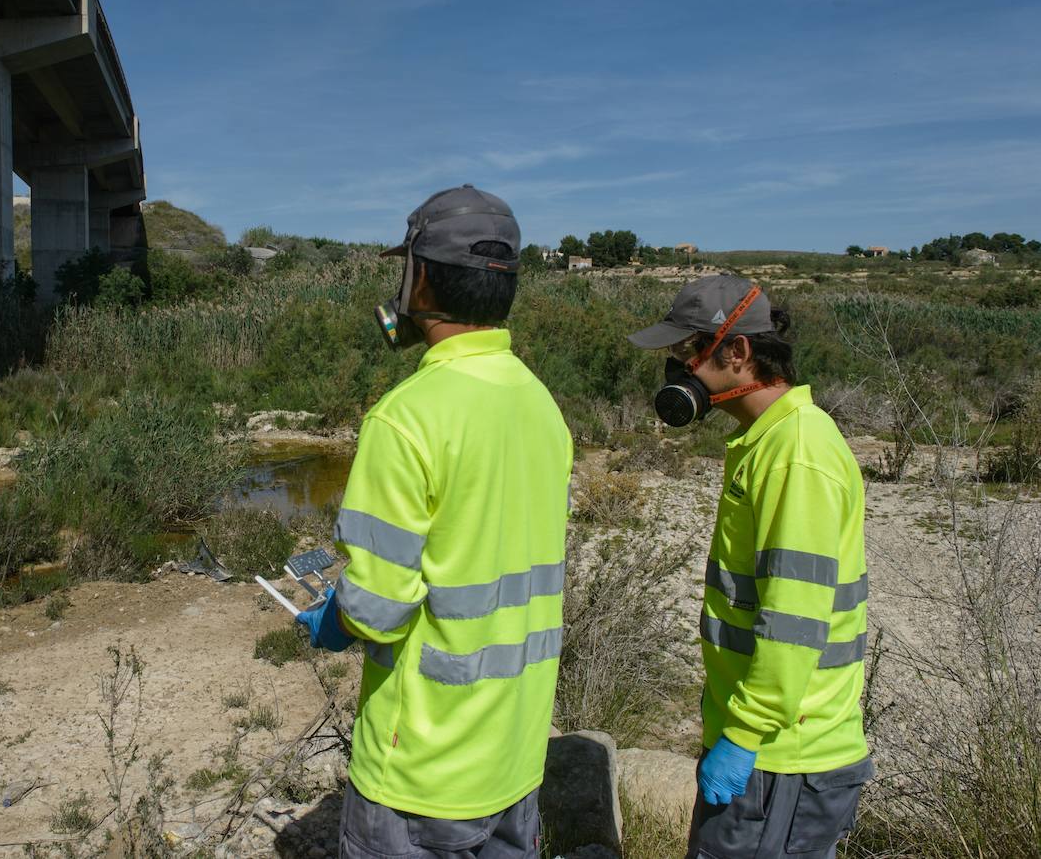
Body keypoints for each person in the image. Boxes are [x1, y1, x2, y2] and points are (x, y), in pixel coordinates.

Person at [297, 185, 573, 858]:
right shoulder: (540, 404)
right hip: (514, 760)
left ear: (418, 279)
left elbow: (378, 607)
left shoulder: (407, 415)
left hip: (420, 771)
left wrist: (336, 618)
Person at [627, 275, 872, 859]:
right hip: (767, 752)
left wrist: (741, 736)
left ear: (736, 353)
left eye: (688, 351)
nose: (678, 369)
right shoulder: (768, 442)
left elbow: (793, 619)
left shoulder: (797, 456)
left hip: (782, 759)